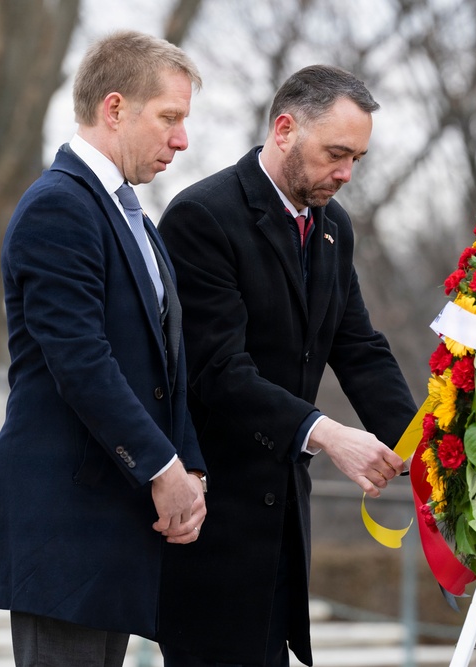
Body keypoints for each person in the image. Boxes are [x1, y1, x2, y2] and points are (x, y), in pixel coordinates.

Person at [0, 30, 208, 667]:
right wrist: (161, 468)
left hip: (110, 523)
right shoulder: (57, 207)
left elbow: (165, 362)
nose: (181, 139)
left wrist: (191, 467)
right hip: (63, 525)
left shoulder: (135, 219)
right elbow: (81, 361)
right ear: (115, 108)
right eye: (170, 118)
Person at [153, 64, 417, 667]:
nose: (346, 173)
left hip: (283, 528)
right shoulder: (203, 217)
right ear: (285, 128)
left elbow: (359, 348)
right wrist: (326, 434)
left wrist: (424, 445)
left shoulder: (334, 229)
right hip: (214, 524)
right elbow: (218, 371)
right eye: (336, 153)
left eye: (357, 158)